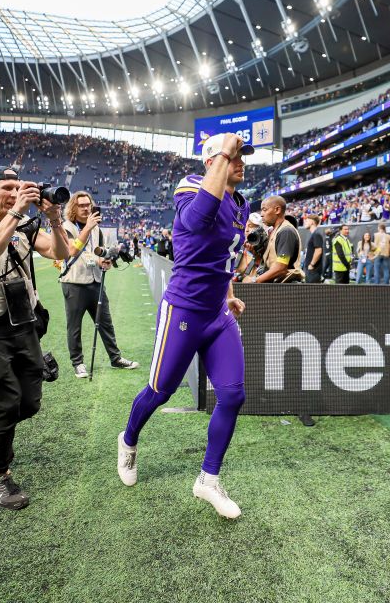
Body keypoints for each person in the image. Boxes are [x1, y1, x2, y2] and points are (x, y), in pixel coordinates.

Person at [118, 133, 253, 519]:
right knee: (160, 390)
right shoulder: (191, 185)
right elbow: (196, 221)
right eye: (235, 156)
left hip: (217, 313)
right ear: (213, 161)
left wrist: (228, 293)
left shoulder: (242, 204)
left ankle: (208, 481)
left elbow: (223, 257)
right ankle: (128, 441)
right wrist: (224, 152)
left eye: (241, 156)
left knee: (232, 395)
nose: (242, 161)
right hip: (183, 310)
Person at [0, 165, 72, 510]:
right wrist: (18, 211)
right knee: (6, 403)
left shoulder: (22, 225)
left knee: (30, 403)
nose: (16, 191)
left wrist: (52, 217)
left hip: (23, 322)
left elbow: (60, 253)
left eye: (20, 186)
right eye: (7, 186)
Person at [59, 191, 138, 378]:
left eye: (88, 204)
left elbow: (98, 252)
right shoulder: (66, 227)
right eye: (81, 205)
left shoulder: (96, 228)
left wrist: (106, 260)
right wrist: (96, 259)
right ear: (73, 208)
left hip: (95, 280)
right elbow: (71, 251)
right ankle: (78, 363)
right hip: (74, 282)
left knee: (105, 322)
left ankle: (115, 357)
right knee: (74, 326)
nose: (86, 208)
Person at [246, 195, 302, 283]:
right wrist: (255, 254)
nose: (261, 214)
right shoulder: (274, 231)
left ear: (277, 210)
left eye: (264, 210)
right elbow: (269, 265)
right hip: (277, 286)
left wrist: (254, 281)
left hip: (287, 288)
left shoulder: (286, 231)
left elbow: (281, 268)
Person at [302, 215, 324, 284]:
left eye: (307, 220)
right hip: (310, 269)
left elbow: (318, 251)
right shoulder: (313, 234)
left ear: (312, 222)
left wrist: (311, 265)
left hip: (313, 270)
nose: (305, 222)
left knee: (312, 293)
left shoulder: (316, 234)